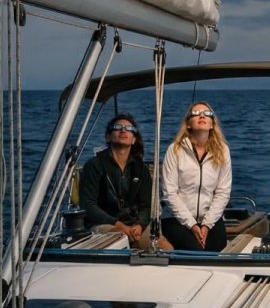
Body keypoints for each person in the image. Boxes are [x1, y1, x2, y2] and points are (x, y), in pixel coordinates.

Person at [161, 102, 232, 251]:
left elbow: (223, 192)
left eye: (207, 113)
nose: (202, 115)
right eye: (196, 113)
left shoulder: (222, 150)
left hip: (209, 219)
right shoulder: (174, 150)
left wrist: (206, 224)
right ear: (188, 124)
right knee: (196, 250)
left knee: (218, 247)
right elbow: (170, 193)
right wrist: (192, 225)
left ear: (212, 124)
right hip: (177, 219)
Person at [78, 113, 154, 246]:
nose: (123, 130)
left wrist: (140, 225)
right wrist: (117, 224)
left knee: (165, 248)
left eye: (129, 128)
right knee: (120, 239)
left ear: (133, 139)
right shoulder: (94, 165)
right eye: (118, 127)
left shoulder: (141, 169)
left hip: (134, 225)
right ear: (108, 136)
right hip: (103, 224)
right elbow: (87, 205)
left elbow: (145, 207)